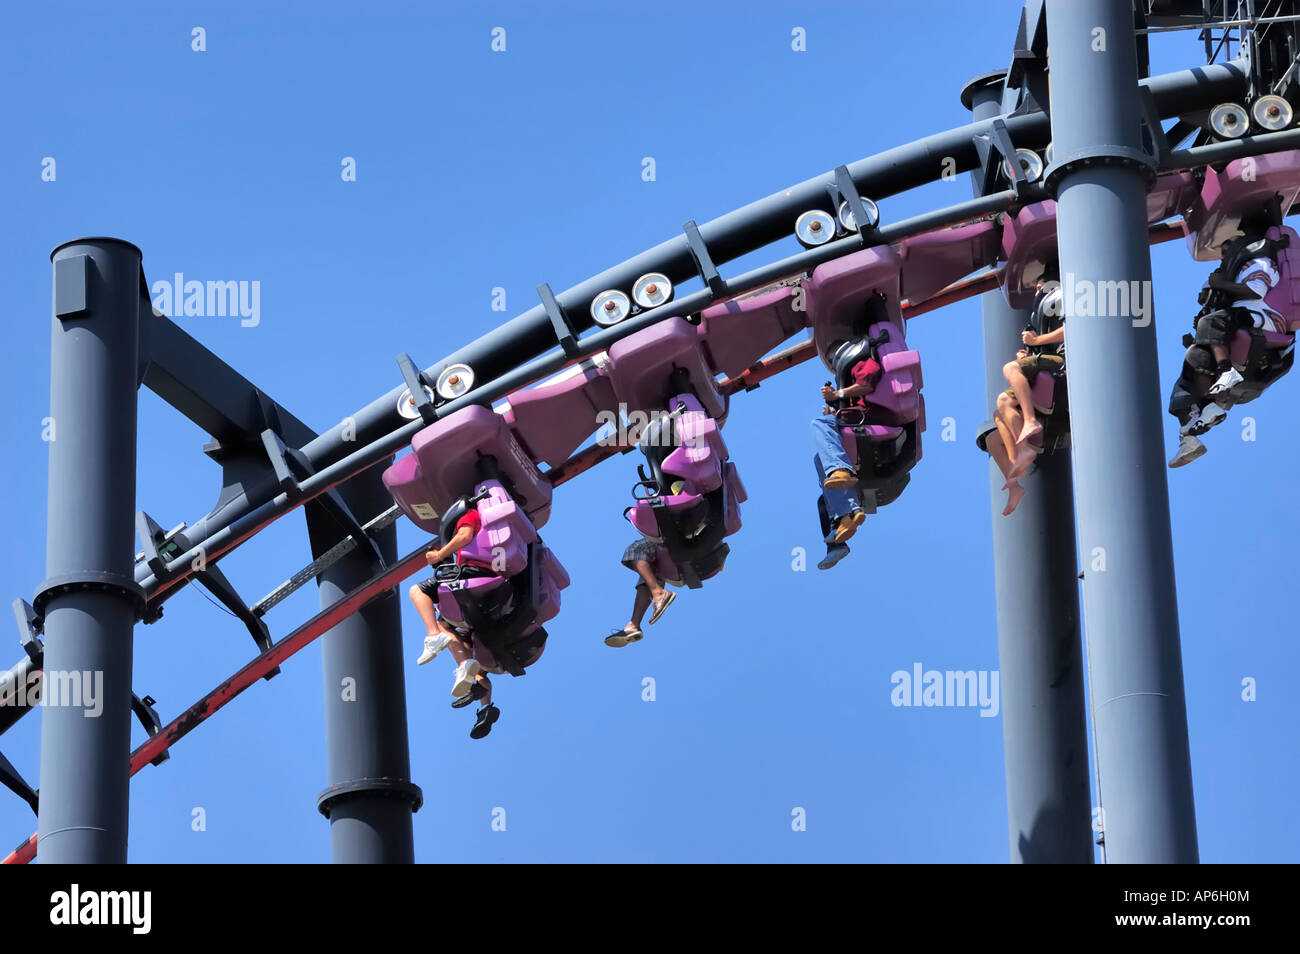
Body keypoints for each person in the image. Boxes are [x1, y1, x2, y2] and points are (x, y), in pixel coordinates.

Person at [1169, 244, 1287, 467]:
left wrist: (1220, 285)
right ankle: (1190, 437)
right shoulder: (1222, 291)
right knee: (1186, 376)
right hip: (1231, 321)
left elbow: (1256, 291)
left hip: (1259, 316)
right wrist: (1195, 342)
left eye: (1205, 294)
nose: (1201, 298)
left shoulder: (1257, 265)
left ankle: (1226, 372)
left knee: (1209, 322)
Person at [407, 499, 501, 738]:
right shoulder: (499, 528)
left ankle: (433, 636)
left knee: (419, 592)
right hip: (493, 589)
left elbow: (464, 536)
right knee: (476, 666)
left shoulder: (469, 515)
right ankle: (484, 705)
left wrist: (439, 554)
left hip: (474, 576)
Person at [986, 283, 1065, 514]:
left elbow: (1072, 328)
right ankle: (1014, 483)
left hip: (1061, 363)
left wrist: (1035, 343)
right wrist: (1028, 352)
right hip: (1043, 360)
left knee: (1010, 368)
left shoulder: (1065, 297)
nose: (1038, 286)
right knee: (994, 432)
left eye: (1042, 282)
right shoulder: (1039, 311)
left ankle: (1029, 421)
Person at [809, 341, 883, 566]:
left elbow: (867, 385)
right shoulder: (848, 372)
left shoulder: (864, 363)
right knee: (820, 462)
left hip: (864, 419)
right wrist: (834, 406)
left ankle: (841, 473)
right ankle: (844, 523)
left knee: (819, 424)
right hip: (850, 418)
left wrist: (837, 394)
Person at [606, 537, 675, 647]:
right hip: (698, 550)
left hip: (683, 532)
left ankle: (660, 594)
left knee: (636, 550)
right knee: (649, 571)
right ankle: (633, 625)